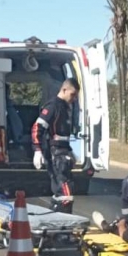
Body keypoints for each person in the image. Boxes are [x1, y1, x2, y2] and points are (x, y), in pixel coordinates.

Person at [31, 78, 79, 214]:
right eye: (73, 94)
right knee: (66, 193)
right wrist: (37, 150)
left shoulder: (65, 107)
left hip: (63, 153)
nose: (74, 99)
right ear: (64, 90)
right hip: (56, 155)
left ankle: (57, 220)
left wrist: (71, 152)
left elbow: (63, 135)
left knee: (61, 192)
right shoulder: (53, 106)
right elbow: (37, 128)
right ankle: (63, 225)